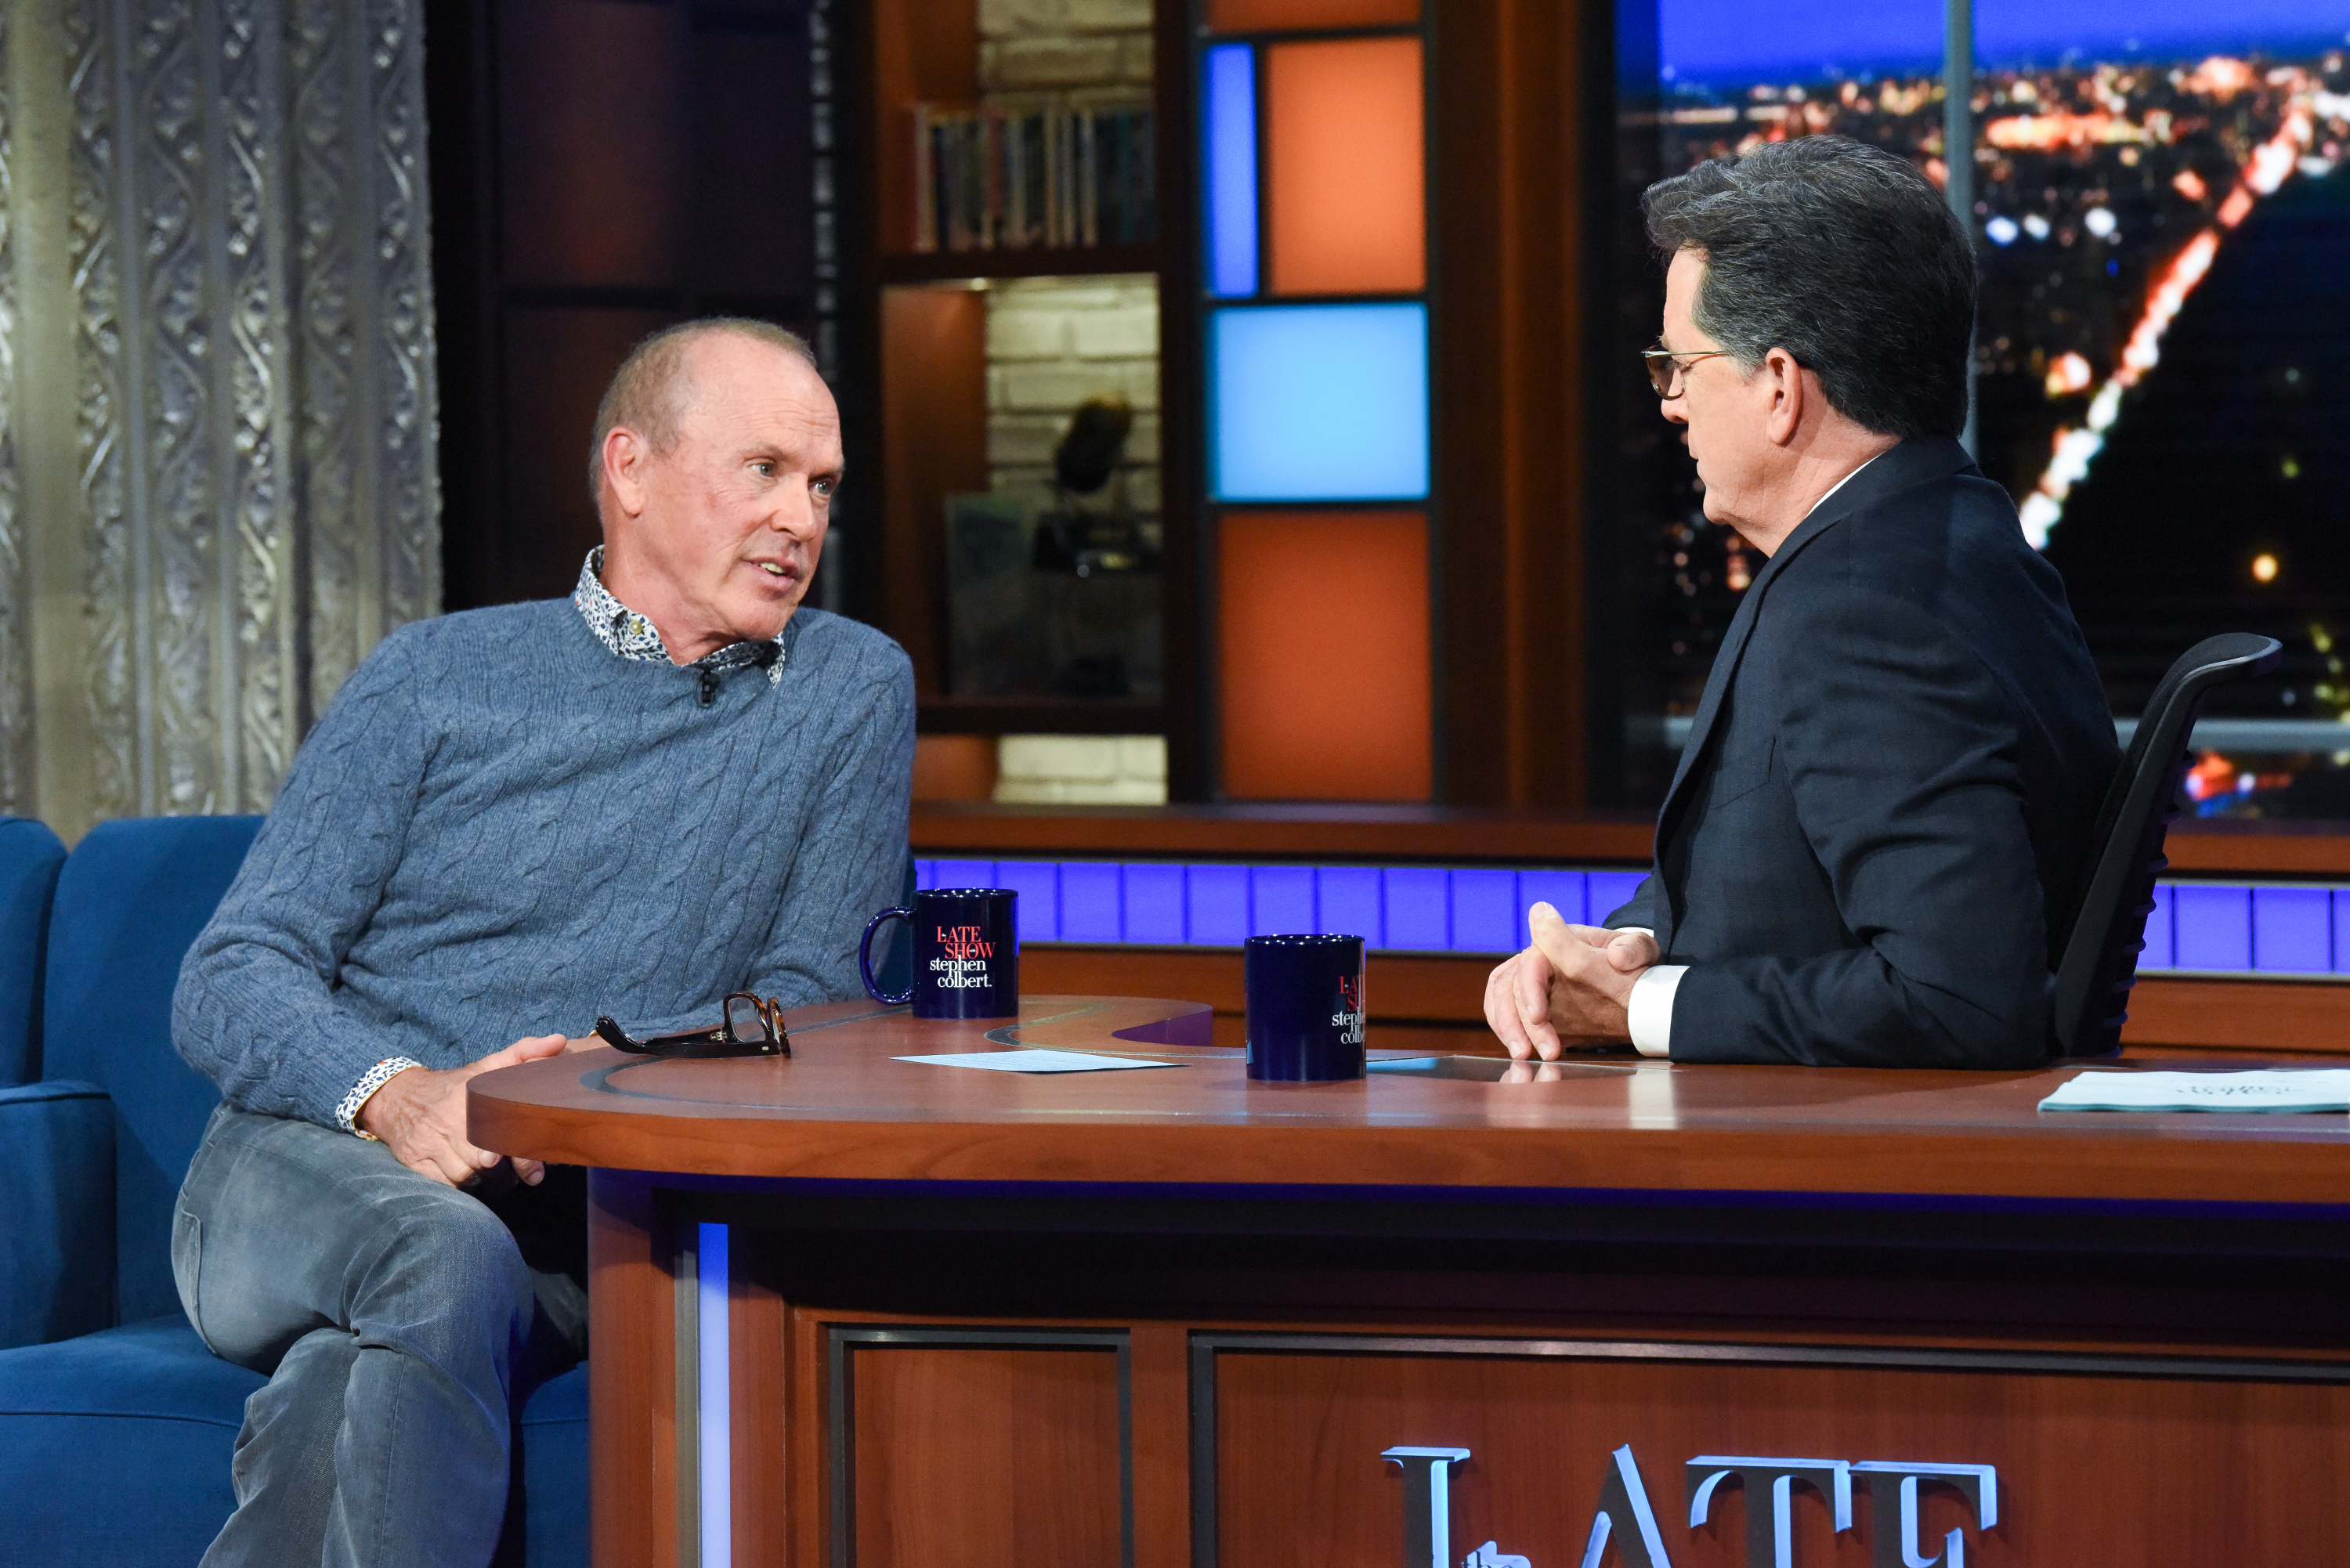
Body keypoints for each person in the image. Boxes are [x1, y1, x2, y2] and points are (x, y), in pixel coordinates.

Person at [170, 318, 913, 1566]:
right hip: (289, 1174)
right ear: (630, 468)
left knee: (342, 1381)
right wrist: (404, 1097)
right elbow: (230, 973)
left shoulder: (848, 688)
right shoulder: (434, 675)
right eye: (765, 469)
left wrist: (565, 1095)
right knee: (435, 1248)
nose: (801, 517)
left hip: (564, 1220)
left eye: (823, 485)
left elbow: (817, 1005)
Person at [1484, 136, 2118, 1068]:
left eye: (1680, 367)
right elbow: (1780, 864)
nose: (1669, 403)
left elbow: (1960, 996)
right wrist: (1619, 954)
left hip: (1851, 1191)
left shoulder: (1863, 610)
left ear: (1780, 386)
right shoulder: (1953, 532)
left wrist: (1644, 1009)